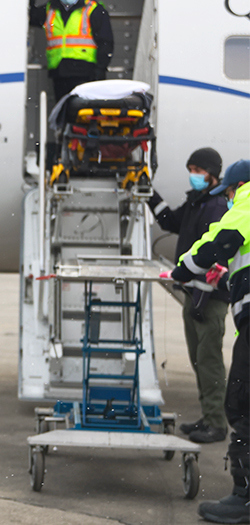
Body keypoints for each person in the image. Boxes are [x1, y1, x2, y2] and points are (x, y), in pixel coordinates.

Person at [164, 159, 250, 524]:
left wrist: (181, 270)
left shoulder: (246, 203)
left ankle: (244, 498)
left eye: (228, 193)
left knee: (243, 403)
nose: (228, 199)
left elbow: (216, 243)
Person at [147, 147, 230, 443]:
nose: (193, 175)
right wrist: (149, 193)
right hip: (194, 296)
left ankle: (217, 424)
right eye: (191, 169)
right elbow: (170, 222)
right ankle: (208, 416)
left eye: (198, 170)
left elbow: (216, 258)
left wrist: (203, 298)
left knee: (208, 360)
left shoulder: (216, 206)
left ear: (211, 173)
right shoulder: (198, 202)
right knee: (198, 359)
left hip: (207, 300)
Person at [29, 0, 114, 102]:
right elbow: (29, 15)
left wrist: (100, 68)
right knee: (64, 111)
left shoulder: (93, 9)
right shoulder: (50, 9)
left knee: (83, 112)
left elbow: (106, 42)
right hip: (60, 74)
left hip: (86, 74)